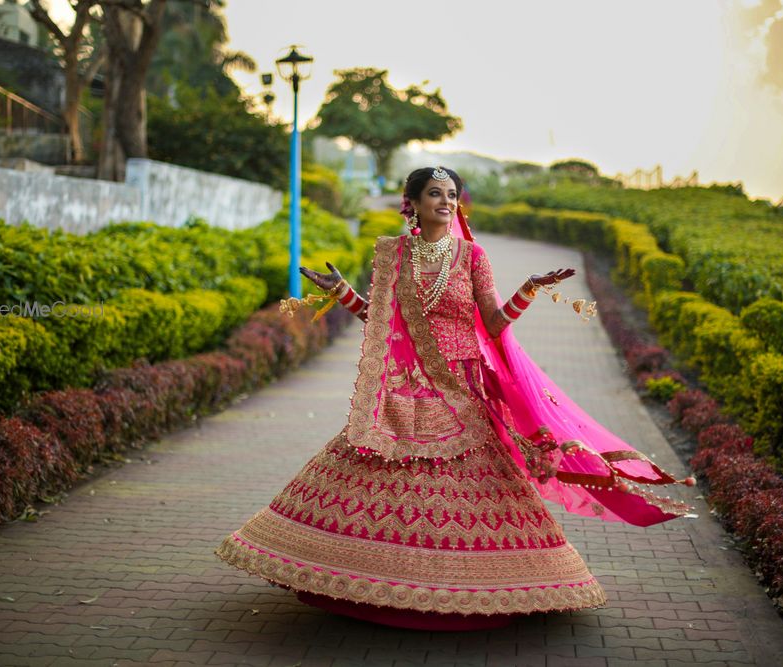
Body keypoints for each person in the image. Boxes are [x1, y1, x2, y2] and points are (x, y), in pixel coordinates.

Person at [215, 166, 696, 631]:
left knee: (475, 480)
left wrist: (529, 289)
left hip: (461, 383)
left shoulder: (472, 257)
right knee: (374, 463)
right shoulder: (393, 255)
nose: (446, 203)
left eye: (452, 195)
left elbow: (492, 323)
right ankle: (364, 575)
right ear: (414, 204)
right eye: (435, 194)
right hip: (406, 382)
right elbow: (378, 319)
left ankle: (490, 585)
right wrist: (341, 290)